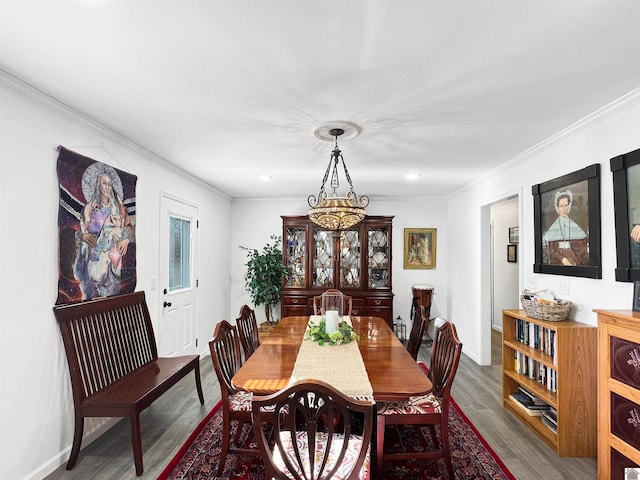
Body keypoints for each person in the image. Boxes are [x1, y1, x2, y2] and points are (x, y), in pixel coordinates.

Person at [73, 163, 134, 300]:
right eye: (104, 184)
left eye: (109, 184)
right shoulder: (89, 209)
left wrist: (125, 239)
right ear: (98, 186)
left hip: (112, 258)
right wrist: (82, 236)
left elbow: (129, 227)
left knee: (111, 293)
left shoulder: (118, 209)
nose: (107, 187)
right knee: (91, 292)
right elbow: (79, 231)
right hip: (93, 257)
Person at [543, 190, 588, 266]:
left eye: (566, 205)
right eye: (561, 206)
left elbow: (582, 249)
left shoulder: (573, 225)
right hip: (557, 258)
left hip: (572, 255)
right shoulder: (554, 227)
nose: (564, 209)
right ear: (557, 207)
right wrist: (562, 259)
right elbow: (549, 249)